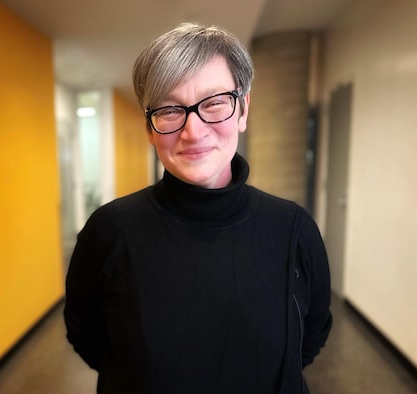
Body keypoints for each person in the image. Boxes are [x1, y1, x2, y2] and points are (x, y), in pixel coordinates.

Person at [64, 23, 332, 394]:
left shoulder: (292, 229)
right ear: (149, 127)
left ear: (242, 110)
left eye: (214, 103)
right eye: (170, 109)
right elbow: (87, 336)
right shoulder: (110, 231)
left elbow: (312, 334)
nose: (193, 130)